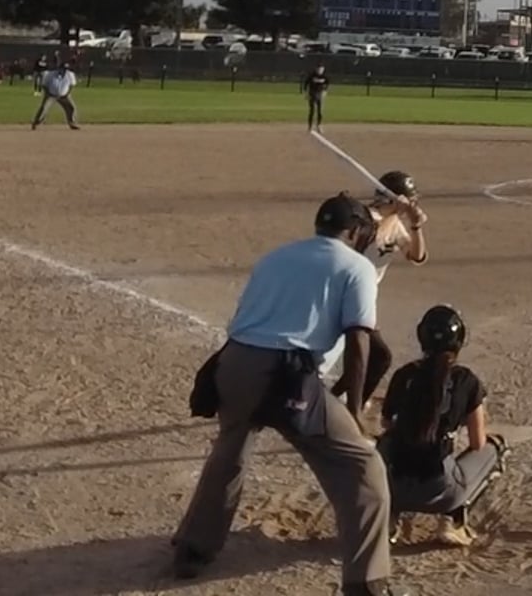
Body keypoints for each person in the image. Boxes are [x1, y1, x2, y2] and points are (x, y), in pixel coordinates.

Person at [172, 195, 405, 596]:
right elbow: (359, 341)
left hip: (233, 364)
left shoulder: (276, 256)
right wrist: (353, 410)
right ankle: (366, 583)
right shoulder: (357, 267)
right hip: (287, 375)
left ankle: (192, 550)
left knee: (230, 450)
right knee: (362, 466)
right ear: (354, 231)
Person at [377, 305, 506, 545]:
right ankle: (452, 520)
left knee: (388, 444)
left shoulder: (404, 375)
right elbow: (477, 442)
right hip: (440, 487)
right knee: (494, 448)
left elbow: (386, 422)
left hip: (394, 486)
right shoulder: (466, 380)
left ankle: (388, 517)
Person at [327, 171, 430, 411]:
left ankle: (339, 399)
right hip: (346, 294)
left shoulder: (395, 224)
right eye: (410, 199)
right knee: (377, 356)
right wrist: (393, 212)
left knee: (372, 356)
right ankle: (341, 405)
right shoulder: (363, 217)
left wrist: (415, 225)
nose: (413, 203)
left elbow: (417, 256)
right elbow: (365, 237)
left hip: (365, 298)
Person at [32, 60, 80, 130]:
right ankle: (36, 122)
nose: (64, 71)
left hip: (64, 96)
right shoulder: (50, 74)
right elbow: (44, 85)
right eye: (62, 69)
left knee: (71, 108)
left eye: (65, 69)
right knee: (44, 108)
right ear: (59, 68)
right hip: (51, 95)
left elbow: (71, 85)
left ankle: (72, 123)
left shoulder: (70, 75)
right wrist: (47, 93)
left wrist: (67, 94)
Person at [304, 64, 331, 132]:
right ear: (316, 69)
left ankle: (319, 125)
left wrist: (325, 91)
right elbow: (306, 84)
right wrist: (306, 93)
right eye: (319, 69)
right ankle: (310, 126)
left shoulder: (324, 76)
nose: (320, 70)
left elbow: (328, 84)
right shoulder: (312, 75)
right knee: (312, 111)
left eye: (321, 69)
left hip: (320, 95)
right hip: (312, 94)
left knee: (320, 111)